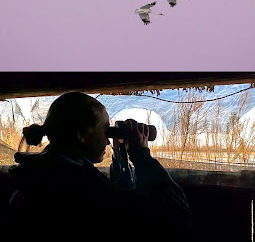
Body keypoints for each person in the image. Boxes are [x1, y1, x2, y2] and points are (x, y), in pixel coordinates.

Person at [7, 92, 191, 239]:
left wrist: (121, 156)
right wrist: (141, 155)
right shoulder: (79, 185)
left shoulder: (40, 171)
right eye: (105, 131)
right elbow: (175, 215)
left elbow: (118, 199)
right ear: (81, 135)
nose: (108, 141)